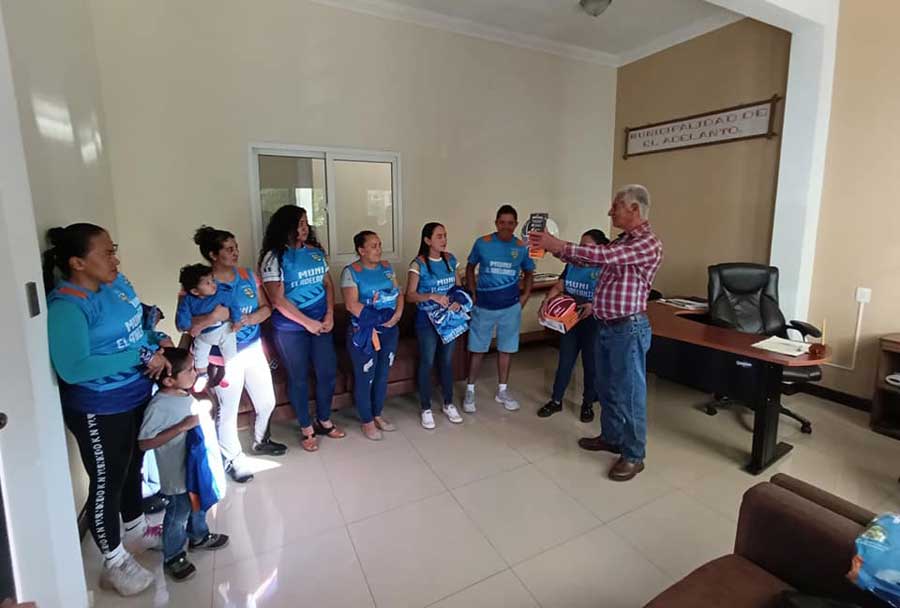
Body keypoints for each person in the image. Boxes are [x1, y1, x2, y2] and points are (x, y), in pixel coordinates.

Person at [44, 223, 173, 597]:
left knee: (133, 464)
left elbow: (133, 334)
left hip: (136, 394)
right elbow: (74, 368)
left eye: (114, 250)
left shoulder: (117, 286)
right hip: (99, 406)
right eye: (107, 253)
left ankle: (136, 529)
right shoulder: (67, 306)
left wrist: (155, 341)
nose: (116, 260)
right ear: (78, 263)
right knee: (108, 480)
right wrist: (139, 356)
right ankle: (115, 562)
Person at [528, 185, 663, 482]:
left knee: (629, 394)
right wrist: (553, 248)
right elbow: (590, 259)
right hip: (606, 326)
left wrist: (558, 243)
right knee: (607, 388)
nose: (610, 211)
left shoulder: (647, 243)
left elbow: (603, 255)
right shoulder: (622, 241)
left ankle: (634, 455)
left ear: (634, 209)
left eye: (616, 206)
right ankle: (612, 438)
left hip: (628, 329)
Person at [189, 226, 287, 484]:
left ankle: (260, 440)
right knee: (228, 411)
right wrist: (214, 317)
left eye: (236, 248)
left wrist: (250, 319)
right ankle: (233, 459)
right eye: (229, 249)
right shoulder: (200, 282)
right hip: (221, 358)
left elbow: (266, 308)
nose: (235, 253)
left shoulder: (247, 275)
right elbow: (186, 323)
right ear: (213, 255)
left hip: (252, 348)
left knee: (267, 401)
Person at [138, 347, 229, 582]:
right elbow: (145, 443)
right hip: (177, 476)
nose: (195, 373)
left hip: (193, 469)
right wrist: (181, 427)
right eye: (189, 370)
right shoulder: (159, 405)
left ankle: (198, 536)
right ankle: (173, 556)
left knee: (198, 504)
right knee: (178, 515)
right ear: (169, 380)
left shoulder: (182, 394)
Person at [260, 206, 345, 453]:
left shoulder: (315, 252)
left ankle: (324, 419)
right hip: (291, 329)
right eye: (299, 224)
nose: (304, 228)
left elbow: (327, 285)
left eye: (306, 223)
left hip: (321, 324)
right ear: (285, 227)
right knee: (298, 378)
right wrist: (307, 323)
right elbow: (277, 300)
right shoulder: (274, 258)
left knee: (327, 371)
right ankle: (306, 428)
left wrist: (329, 314)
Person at [463, 204, 535, 413]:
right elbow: (470, 267)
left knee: (506, 349)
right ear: (496, 223)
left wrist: (526, 295)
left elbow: (529, 272)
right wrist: (472, 292)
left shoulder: (521, 247)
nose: (506, 226)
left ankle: (502, 391)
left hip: (510, 307)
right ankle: (470, 390)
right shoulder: (483, 243)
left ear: (516, 224)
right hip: (483, 306)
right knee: (477, 349)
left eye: (510, 223)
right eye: (502, 222)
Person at [537, 229, 609, 422]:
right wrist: (546, 301)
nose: (582, 250)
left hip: (593, 323)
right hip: (570, 321)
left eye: (587, 247)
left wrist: (593, 305)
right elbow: (559, 286)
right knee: (565, 362)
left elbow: (609, 296)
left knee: (590, 364)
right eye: (581, 245)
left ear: (600, 248)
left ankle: (587, 404)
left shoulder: (605, 268)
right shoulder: (573, 264)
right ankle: (556, 400)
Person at [341, 230, 404, 440]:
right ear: (361, 250)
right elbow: (351, 305)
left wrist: (397, 315)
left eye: (380, 245)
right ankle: (367, 421)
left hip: (389, 330)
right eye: (374, 246)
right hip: (364, 333)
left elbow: (398, 293)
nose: (379, 249)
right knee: (365, 377)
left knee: (383, 374)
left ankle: (377, 414)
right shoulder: (351, 272)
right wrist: (377, 320)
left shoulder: (387, 267)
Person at [405, 222, 465, 429]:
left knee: (446, 361)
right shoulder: (418, 264)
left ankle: (448, 403)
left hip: (449, 319)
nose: (444, 240)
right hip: (427, 320)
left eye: (445, 235)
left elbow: (458, 287)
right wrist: (431, 296)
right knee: (427, 361)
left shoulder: (450, 259)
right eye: (439, 236)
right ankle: (426, 407)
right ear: (427, 240)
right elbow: (410, 295)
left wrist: (458, 300)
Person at [175, 263, 242, 391]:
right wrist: (188, 327)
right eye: (207, 283)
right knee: (199, 354)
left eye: (212, 280)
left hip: (224, 330)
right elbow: (183, 317)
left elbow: (233, 304)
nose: (213, 284)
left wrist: (237, 320)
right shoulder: (188, 300)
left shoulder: (221, 293)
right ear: (195, 291)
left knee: (230, 353)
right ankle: (202, 375)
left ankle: (229, 374)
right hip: (203, 334)